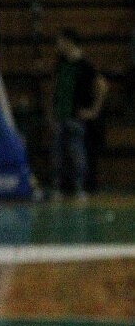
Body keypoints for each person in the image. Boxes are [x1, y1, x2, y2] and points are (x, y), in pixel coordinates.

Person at [45, 28, 109, 198]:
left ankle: (79, 186)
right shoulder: (60, 63)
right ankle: (58, 186)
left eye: (60, 41)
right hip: (60, 115)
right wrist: (51, 111)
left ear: (69, 42)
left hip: (75, 117)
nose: (58, 44)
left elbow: (102, 86)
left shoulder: (84, 65)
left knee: (76, 153)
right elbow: (55, 88)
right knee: (58, 154)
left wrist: (93, 110)